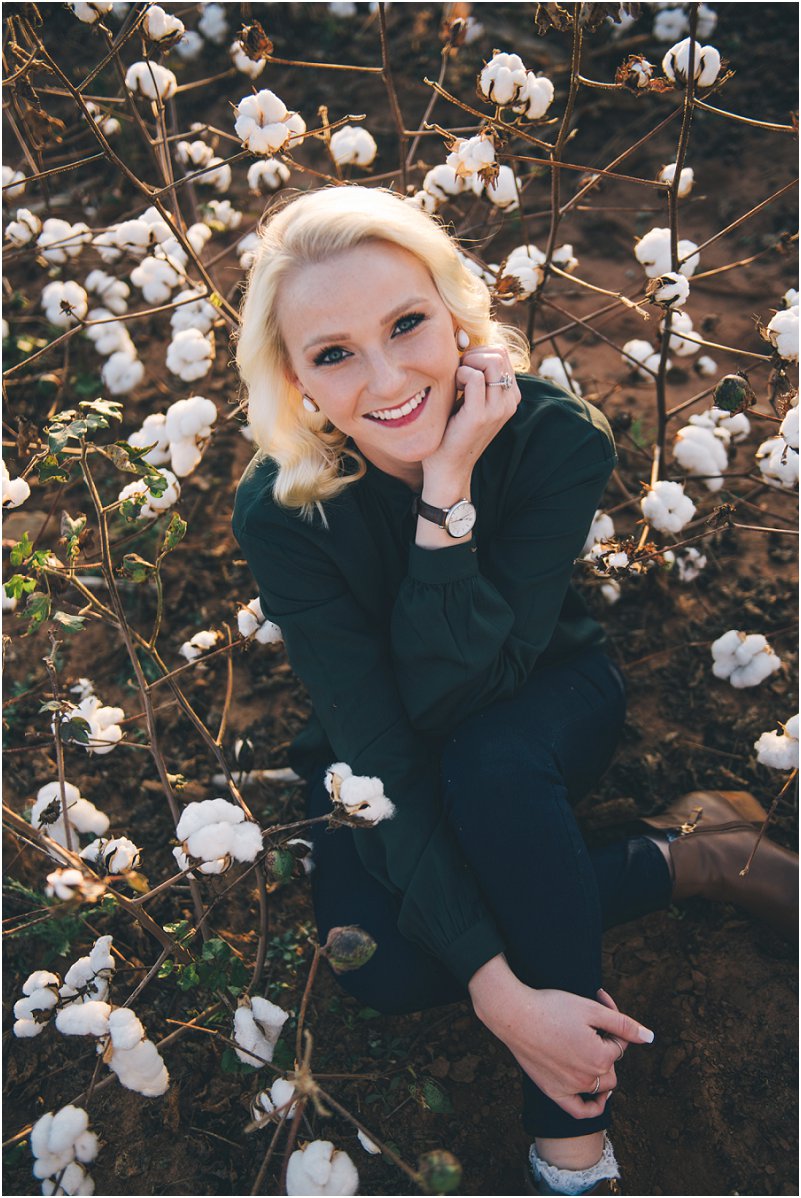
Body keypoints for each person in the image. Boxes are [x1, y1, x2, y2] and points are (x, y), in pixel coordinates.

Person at [233, 185, 797, 1196]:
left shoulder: (552, 437)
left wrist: (449, 491)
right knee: (388, 967)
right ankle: (694, 857)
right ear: (295, 378)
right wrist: (499, 991)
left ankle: (573, 1157)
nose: (390, 374)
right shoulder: (283, 513)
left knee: (489, 763)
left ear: (458, 313)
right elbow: (386, 739)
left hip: (545, 704)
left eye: (408, 323)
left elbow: (476, 693)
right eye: (334, 352)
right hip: (381, 748)